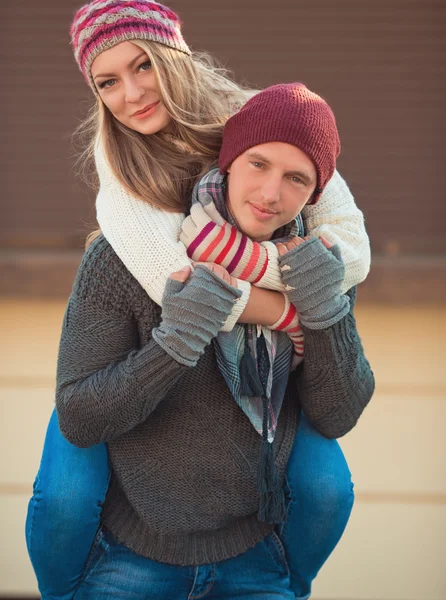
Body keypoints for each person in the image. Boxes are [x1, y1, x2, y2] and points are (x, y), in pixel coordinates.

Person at [25, 2, 374, 599]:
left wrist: (317, 289)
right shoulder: (120, 167)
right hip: (168, 327)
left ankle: (290, 580)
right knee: (65, 493)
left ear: (174, 56)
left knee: (324, 488)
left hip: (249, 497)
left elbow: (351, 248)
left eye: (143, 66)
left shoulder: (266, 124)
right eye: (107, 81)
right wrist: (283, 311)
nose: (132, 94)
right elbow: (176, 278)